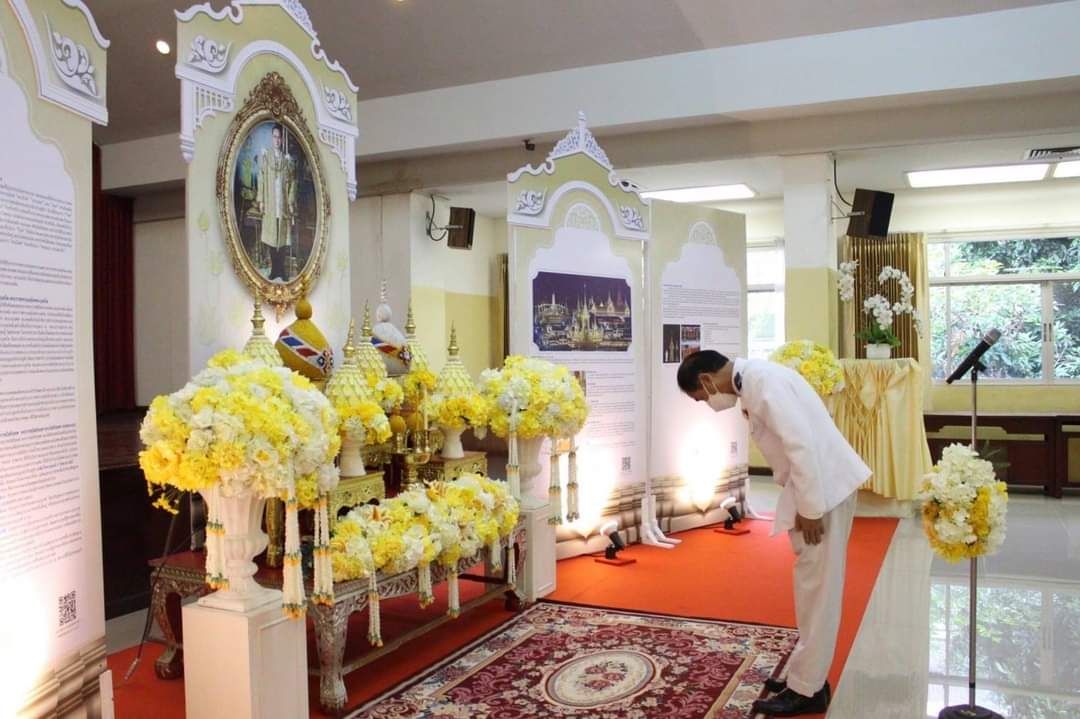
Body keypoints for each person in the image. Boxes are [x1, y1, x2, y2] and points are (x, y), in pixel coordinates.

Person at [676, 350, 870, 717]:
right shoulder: (755, 379)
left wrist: (810, 509)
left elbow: (801, 445)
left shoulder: (763, 382)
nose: (707, 405)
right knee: (811, 587)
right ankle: (806, 675)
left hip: (823, 491)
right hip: (816, 486)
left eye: (701, 398)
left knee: (818, 591)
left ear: (706, 381)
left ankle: (808, 689)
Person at [256, 124, 297, 281]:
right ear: (271, 138)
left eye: (279, 137)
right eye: (275, 137)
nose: (277, 140)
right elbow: (261, 178)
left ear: (282, 139)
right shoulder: (266, 157)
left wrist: (291, 202)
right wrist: (261, 200)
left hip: (283, 203)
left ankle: (282, 270)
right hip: (271, 202)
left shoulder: (287, 160)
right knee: (273, 236)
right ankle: (274, 270)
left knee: (283, 236)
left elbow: (292, 182)